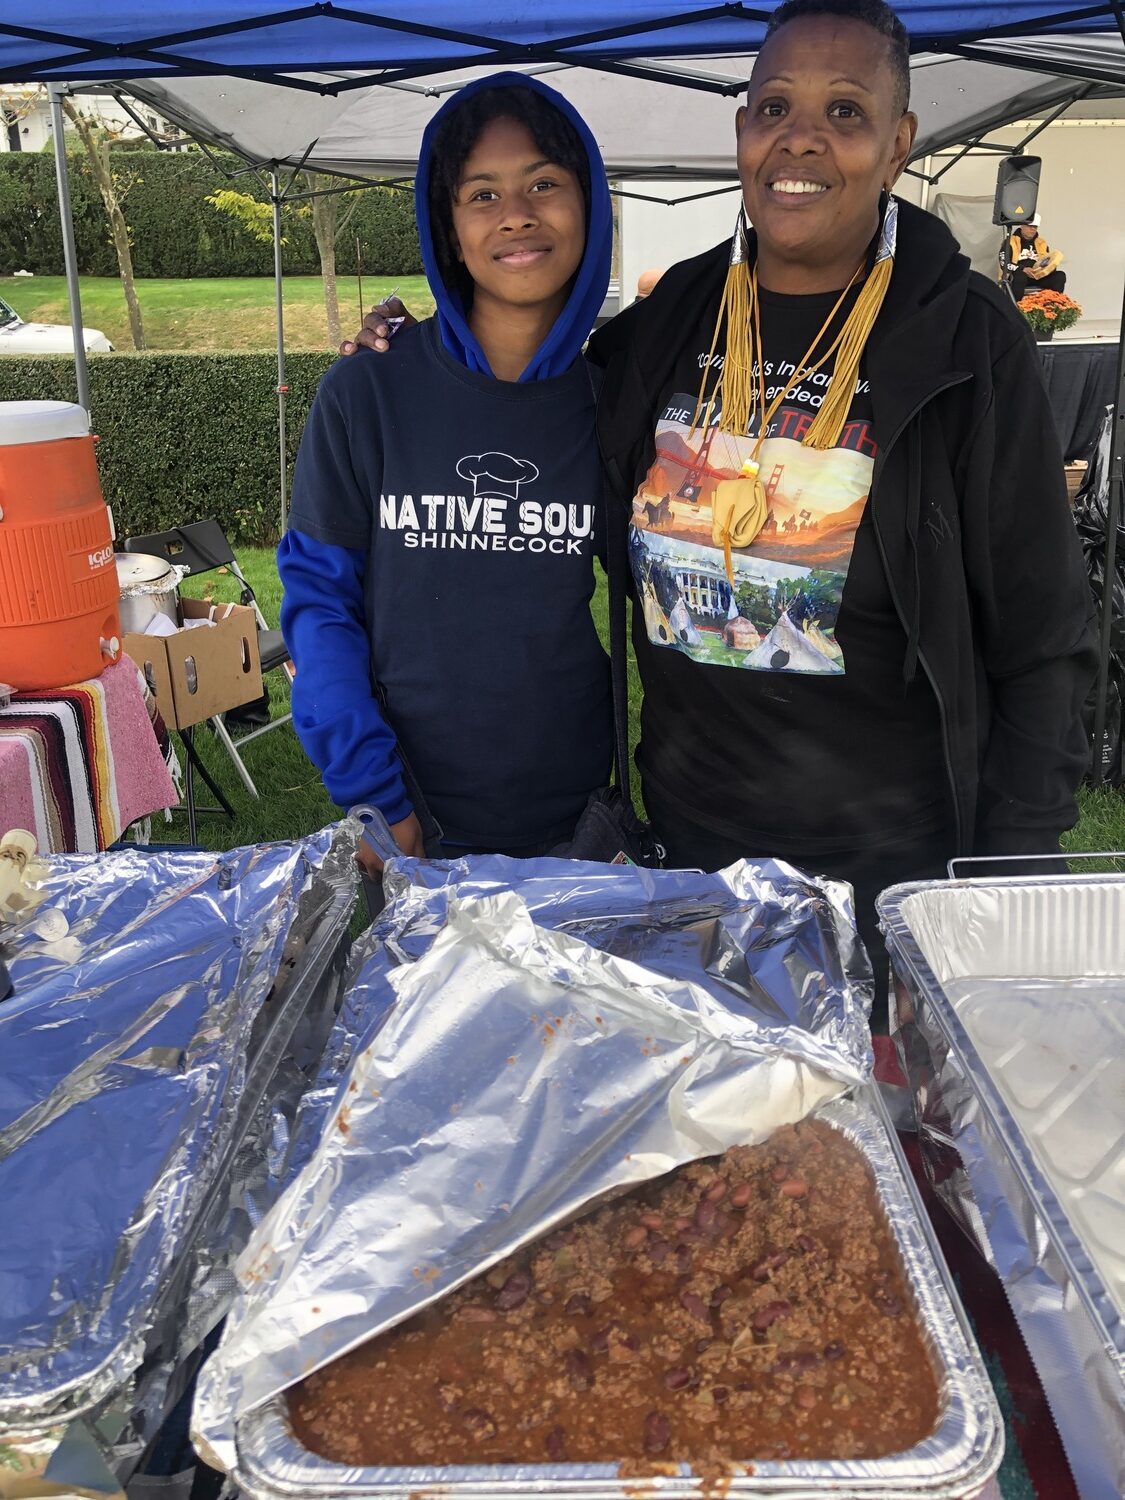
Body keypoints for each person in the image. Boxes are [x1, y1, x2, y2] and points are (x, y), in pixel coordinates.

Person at [349, 0, 1095, 1024]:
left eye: (845, 110)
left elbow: (1045, 638)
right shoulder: (674, 320)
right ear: (742, 130)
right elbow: (523, 374)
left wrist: (1004, 892)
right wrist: (411, 344)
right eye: (775, 106)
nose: (802, 139)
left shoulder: (965, 342)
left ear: (898, 143)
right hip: (692, 869)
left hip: (895, 880)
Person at [280, 74, 614, 882]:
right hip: (414, 819)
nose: (516, 214)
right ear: (447, 225)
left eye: (543, 183)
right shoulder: (368, 389)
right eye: (480, 193)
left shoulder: (619, 394)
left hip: (579, 823)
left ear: (590, 204)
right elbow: (320, 603)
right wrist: (373, 795)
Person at [1005, 218, 1067, 301]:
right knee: (1020, 276)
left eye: (1035, 226)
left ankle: (1052, 307)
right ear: (1022, 226)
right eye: (1030, 226)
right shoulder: (1010, 242)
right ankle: (1016, 308)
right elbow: (1004, 263)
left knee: (1060, 276)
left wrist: (1050, 267)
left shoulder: (1042, 243)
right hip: (1019, 275)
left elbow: (1047, 261)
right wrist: (1023, 269)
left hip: (1038, 275)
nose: (1033, 229)